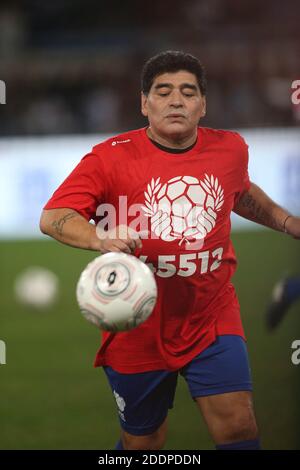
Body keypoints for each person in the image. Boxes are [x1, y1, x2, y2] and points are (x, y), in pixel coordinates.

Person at [40, 50, 300, 450]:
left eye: (188, 92)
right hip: (136, 321)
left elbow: (240, 193)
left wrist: (286, 222)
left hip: (210, 314)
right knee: (144, 444)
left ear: (203, 105)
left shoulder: (230, 149)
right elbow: (54, 215)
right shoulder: (109, 158)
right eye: (163, 92)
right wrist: (99, 238)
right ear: (144, 104)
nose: (176, 100)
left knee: (238, 425)